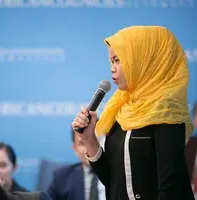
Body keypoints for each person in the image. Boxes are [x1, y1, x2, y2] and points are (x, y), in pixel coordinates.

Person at [72, 26, 195, 200]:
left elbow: (169, 188)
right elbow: (112, 180)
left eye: (118, 60)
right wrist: (89, 139)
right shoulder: (120, 107)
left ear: (143, 60)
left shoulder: (166, 112)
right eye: (111, 62)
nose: (113, 69)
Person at [47, 128, 105, 200]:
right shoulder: (61, 178)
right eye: (82, 143)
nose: (88, 148)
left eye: (94, 141)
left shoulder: (118, 174)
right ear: (75, 148)